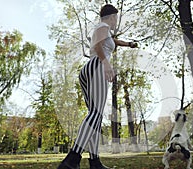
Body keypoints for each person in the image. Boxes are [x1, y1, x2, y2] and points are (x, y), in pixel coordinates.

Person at [57, 4, 137, 169]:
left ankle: (95, 162)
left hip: (89, 69)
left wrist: (128, 44)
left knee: (95, 117)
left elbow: (111, 41)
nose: (117, 21)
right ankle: (72, 159)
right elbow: (97, 45)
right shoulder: (103, 26)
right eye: (116, 17)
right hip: (97, 66)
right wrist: (106, 63)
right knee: (96, 113)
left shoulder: (105, 30)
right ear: (112, 16)